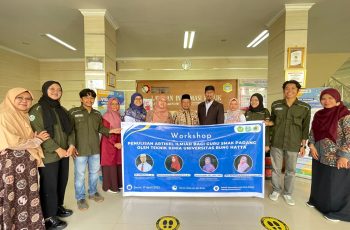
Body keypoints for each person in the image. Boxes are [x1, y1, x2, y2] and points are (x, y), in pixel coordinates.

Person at [0, 88, 49, 230]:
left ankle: (28, 224)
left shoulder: (23, 115)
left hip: (26, 162)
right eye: (19, 98)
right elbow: (13, 142)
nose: (24, 101)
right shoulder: (5, 115)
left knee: (28, 194)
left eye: (28, 98)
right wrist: (37, 140)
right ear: (10, 98)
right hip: (11, 163)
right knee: (12, 195)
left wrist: (33, 139)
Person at [29, 81, 75, 229]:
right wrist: (57, 149)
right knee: (49, 185)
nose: (56, 91)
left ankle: (57, 207)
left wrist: (72, 145)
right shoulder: (37, 110)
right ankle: (48, 217)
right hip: (49, 155)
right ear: (44, 90)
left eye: (59, 89)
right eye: (52, 89)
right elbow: (40, 134)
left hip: (64, 153)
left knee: (62, 181)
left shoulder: (62, 109)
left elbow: (71, 130)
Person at [68, 89, 120, 211]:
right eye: (86, 97)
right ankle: (80, 198)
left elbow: (101, 128)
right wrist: (71, 145)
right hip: (80, 150)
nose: (89, 100)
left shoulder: (97, 114)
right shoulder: (73, 112)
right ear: (81, 99)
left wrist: (111, 131)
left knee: (94, 173)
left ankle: (93, 192)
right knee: (80, 175)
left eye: (92, 98)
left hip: (95, 149)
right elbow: (70, 131)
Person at [307, 88, 350, 222]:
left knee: (335, 184)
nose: (326, 101)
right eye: (323, 98)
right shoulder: (319, 114)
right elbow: (313, 132)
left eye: (330, 98)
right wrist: (311, 145)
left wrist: (344, 155)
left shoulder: (344, 114)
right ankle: (318, 202)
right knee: (320, 181)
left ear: (337, 99)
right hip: (319, 154)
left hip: (336, 157)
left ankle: (338, 212)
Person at [267, 80, 311, 206]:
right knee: (276, 169)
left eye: (293, 88)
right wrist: (265, 123)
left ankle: (287, 193)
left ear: (298, 91)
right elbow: (273, 121)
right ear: (283, 90)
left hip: (293, 143)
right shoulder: (276, 105)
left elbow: (305, 128)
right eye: (287, 88)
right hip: (277, 141)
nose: (289, 91)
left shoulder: (305, 107)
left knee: (290, 170)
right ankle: (276, 190)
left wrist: (303, 146)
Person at [100, 97, 123, 193]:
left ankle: (118, 184)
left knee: (118, 163)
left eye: (117, 104)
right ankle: (110, 186)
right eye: (112, 104)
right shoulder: (106, 116)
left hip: (118, 143)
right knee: (110, 164)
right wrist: (114, 143)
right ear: (109, 105)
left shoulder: (118, 115)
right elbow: (106, 132)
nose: (115, 106)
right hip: (109, 143)